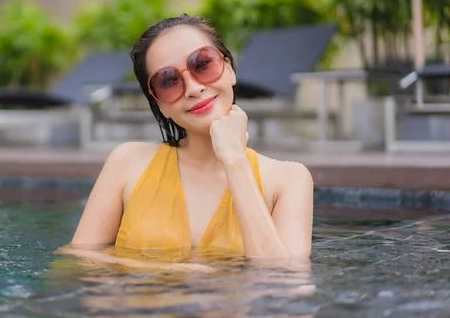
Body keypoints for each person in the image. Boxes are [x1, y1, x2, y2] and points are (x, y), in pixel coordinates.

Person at [60, 14, 314, 269]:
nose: (193, 88)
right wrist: (175, 271)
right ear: (159, 104)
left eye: (203, 64)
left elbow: (283, 285)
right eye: (169, 81)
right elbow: (78, 260)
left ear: (229, 69)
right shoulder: (126, 163)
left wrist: (235, 161)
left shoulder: (289, 180)